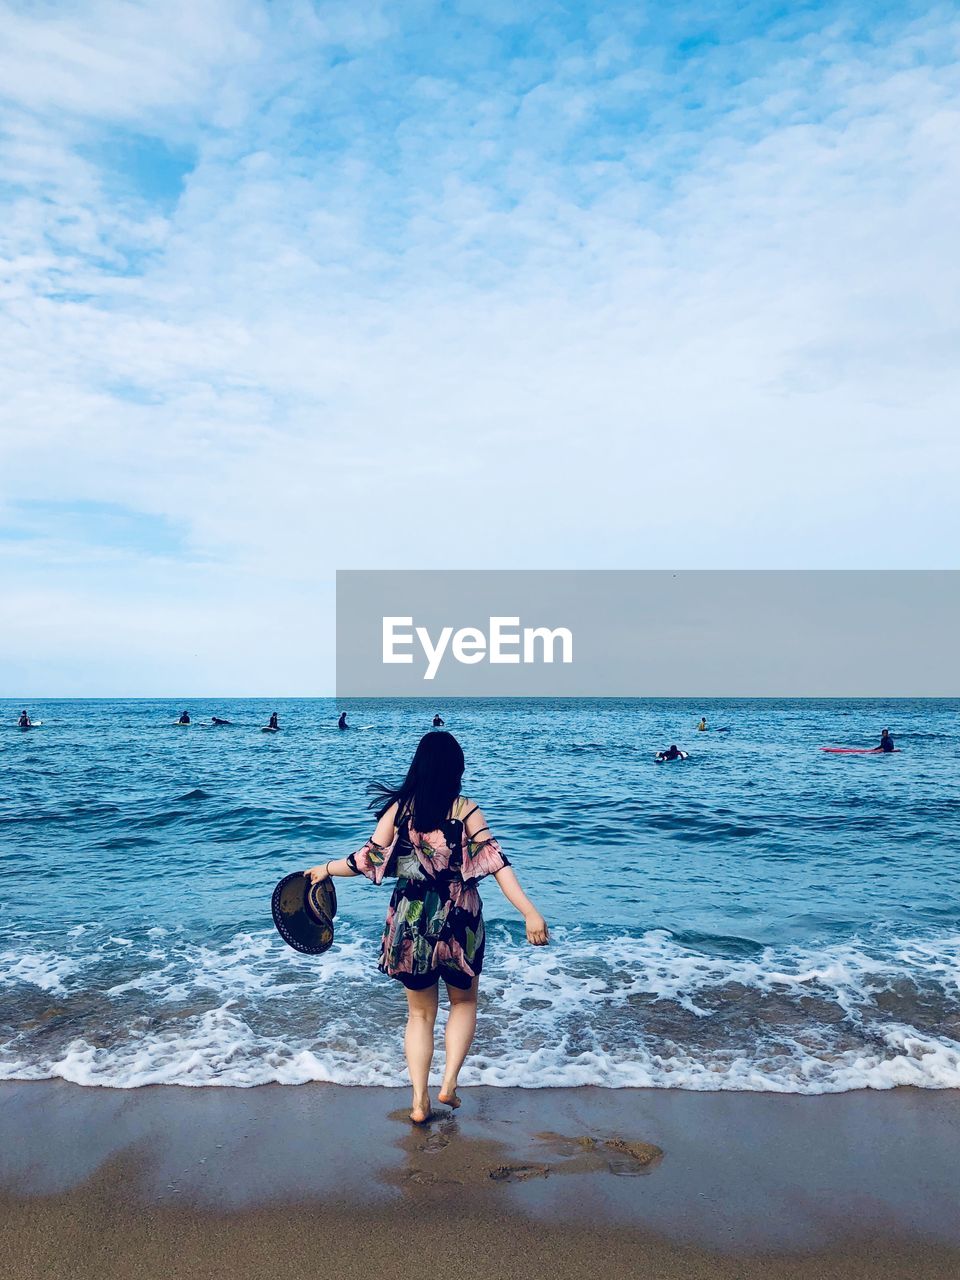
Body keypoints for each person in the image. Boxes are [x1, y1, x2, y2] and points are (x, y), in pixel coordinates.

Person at [306, 731, 548, 1124]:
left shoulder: (401, 811)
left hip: (411, 919)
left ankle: (419, 1102)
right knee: (464, 1002)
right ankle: (449, 1083)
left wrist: (325, 869)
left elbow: (365, 860)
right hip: (459, 919)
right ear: (457, 769)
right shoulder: (466, 811)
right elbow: (498, 864)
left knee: (420, 1015)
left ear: (418, 766)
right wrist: (529, 912)